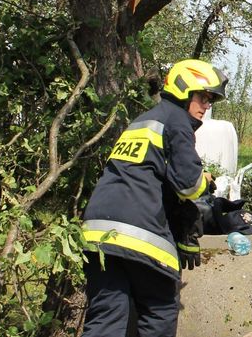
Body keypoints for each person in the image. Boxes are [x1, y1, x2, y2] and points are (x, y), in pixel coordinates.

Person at [80, 59, 228, 337]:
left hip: (96, 233)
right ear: (184, 91)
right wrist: (204, 181)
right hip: (139, 233)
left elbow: (143, 177)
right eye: (204, 97)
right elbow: (187, 185)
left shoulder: (142, 121)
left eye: (210, 100)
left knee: (106, 319)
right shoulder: (177, 121)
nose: (207, 106)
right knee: (159, 311)